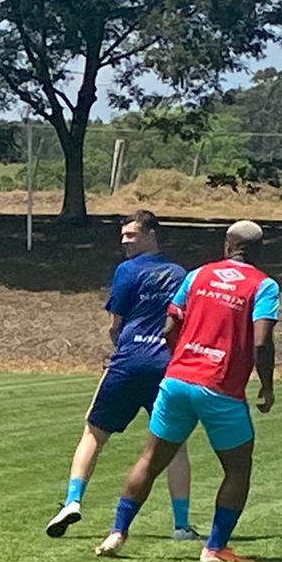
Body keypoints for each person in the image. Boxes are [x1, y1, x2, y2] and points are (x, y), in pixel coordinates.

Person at [95, 220, 279, 562]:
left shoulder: (196, 275)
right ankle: (215, 547)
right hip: (220, 386)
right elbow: (262, 342)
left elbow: (170, 326)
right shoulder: (264, 286)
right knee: (238, 469)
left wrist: (181, 357)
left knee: (150, 459)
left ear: (227, 245)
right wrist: (267, 386)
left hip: (177, 380)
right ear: (259, 250)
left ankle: (117, 532)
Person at [46, 211, 197, 540]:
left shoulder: (127, 271)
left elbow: (115, 324)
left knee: (94, 433)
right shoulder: (180, 275)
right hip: (166, 365)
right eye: (123, 235)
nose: (124, 241)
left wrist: (123, 345)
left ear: (151, 234)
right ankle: (181, 525)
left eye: (131, 235)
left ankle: (72, 501)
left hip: (128, 363)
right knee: (174, 445)